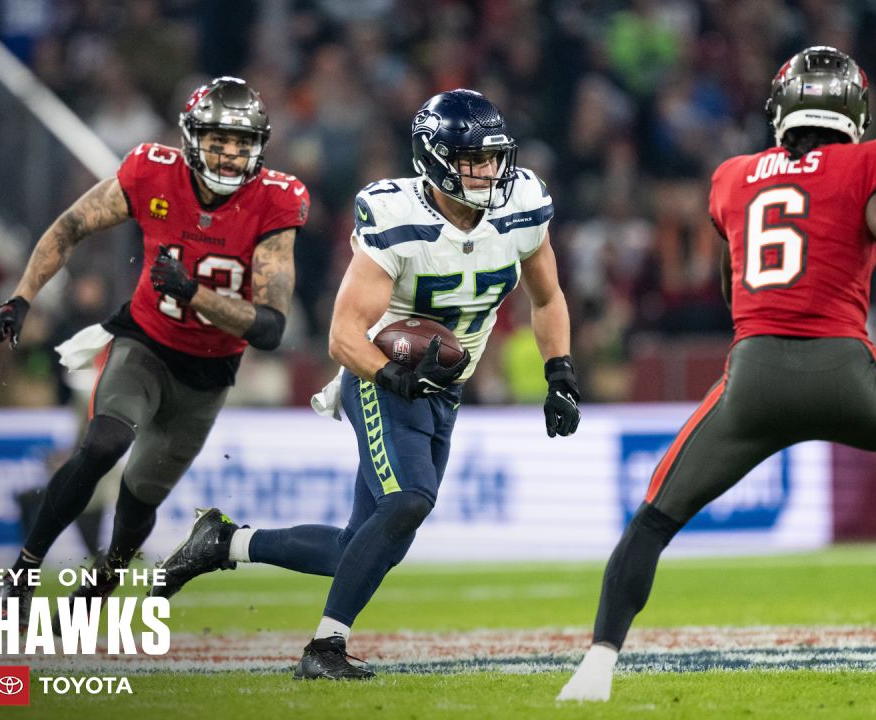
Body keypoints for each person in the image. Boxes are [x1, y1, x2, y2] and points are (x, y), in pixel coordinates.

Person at [557, 47, 876, 702]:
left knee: (655, 518)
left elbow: (732, 281)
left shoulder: (733, 175)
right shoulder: (872, 159)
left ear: (781, 111)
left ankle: (596, 668)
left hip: (752, 383)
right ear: (854, 111)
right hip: (844, 373)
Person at [151, 89, 581, 680]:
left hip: (443, 387)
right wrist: (394, 378)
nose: (487, 173)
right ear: (433, 159)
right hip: (378, 373)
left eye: (492, 158)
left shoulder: (522, 205)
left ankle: (223, 543)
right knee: (410, 500)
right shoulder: (398, 218)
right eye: (470, 161)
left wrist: (559, 373)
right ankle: (323, 648)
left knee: (365, 543)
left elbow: (549, 296)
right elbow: (342, 336)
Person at [0, 77, 308, 621]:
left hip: (208, 372)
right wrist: (22, 296)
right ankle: (24, 568)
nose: (229, 157)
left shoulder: (277, 201)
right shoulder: (151, 171)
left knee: (140, 499)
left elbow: (272, 327)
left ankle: (105, 578)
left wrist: (194, 293)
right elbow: (70, 227)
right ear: (191, 139)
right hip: (146, 341)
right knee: (102, 443)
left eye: (240, 145)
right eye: (217, 142)